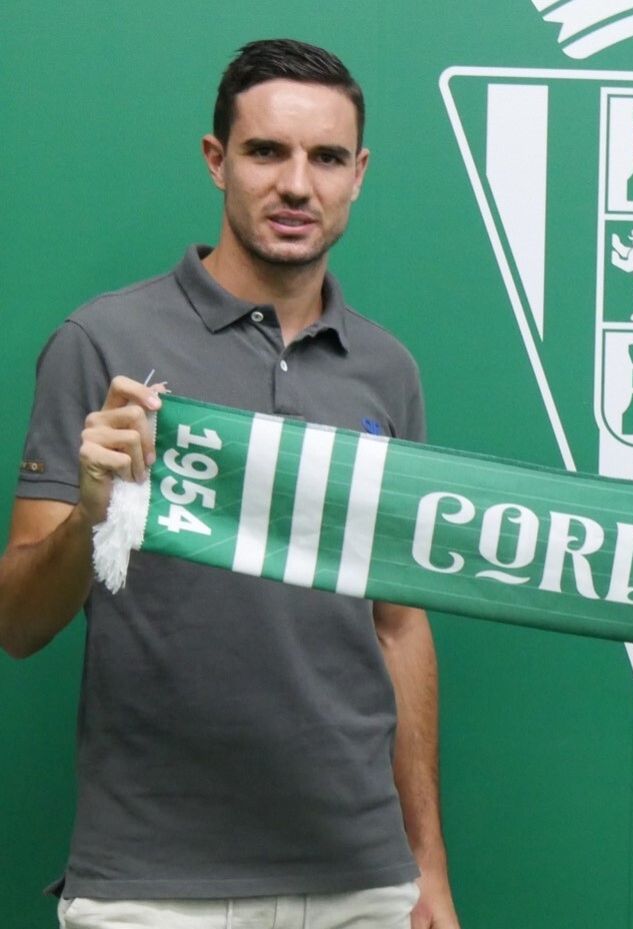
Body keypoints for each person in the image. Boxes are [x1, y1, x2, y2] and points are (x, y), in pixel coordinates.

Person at [0, 40, 459, 929]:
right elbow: (17, 623)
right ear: (218, 160)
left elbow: (399, 625)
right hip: (150, 885)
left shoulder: (388, 371)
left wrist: (426, 865)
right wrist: (93, 515)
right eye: (266, 152)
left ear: (359, 174)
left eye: (327, 158)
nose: (297, 185)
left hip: (360, 879)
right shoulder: (101, 343)